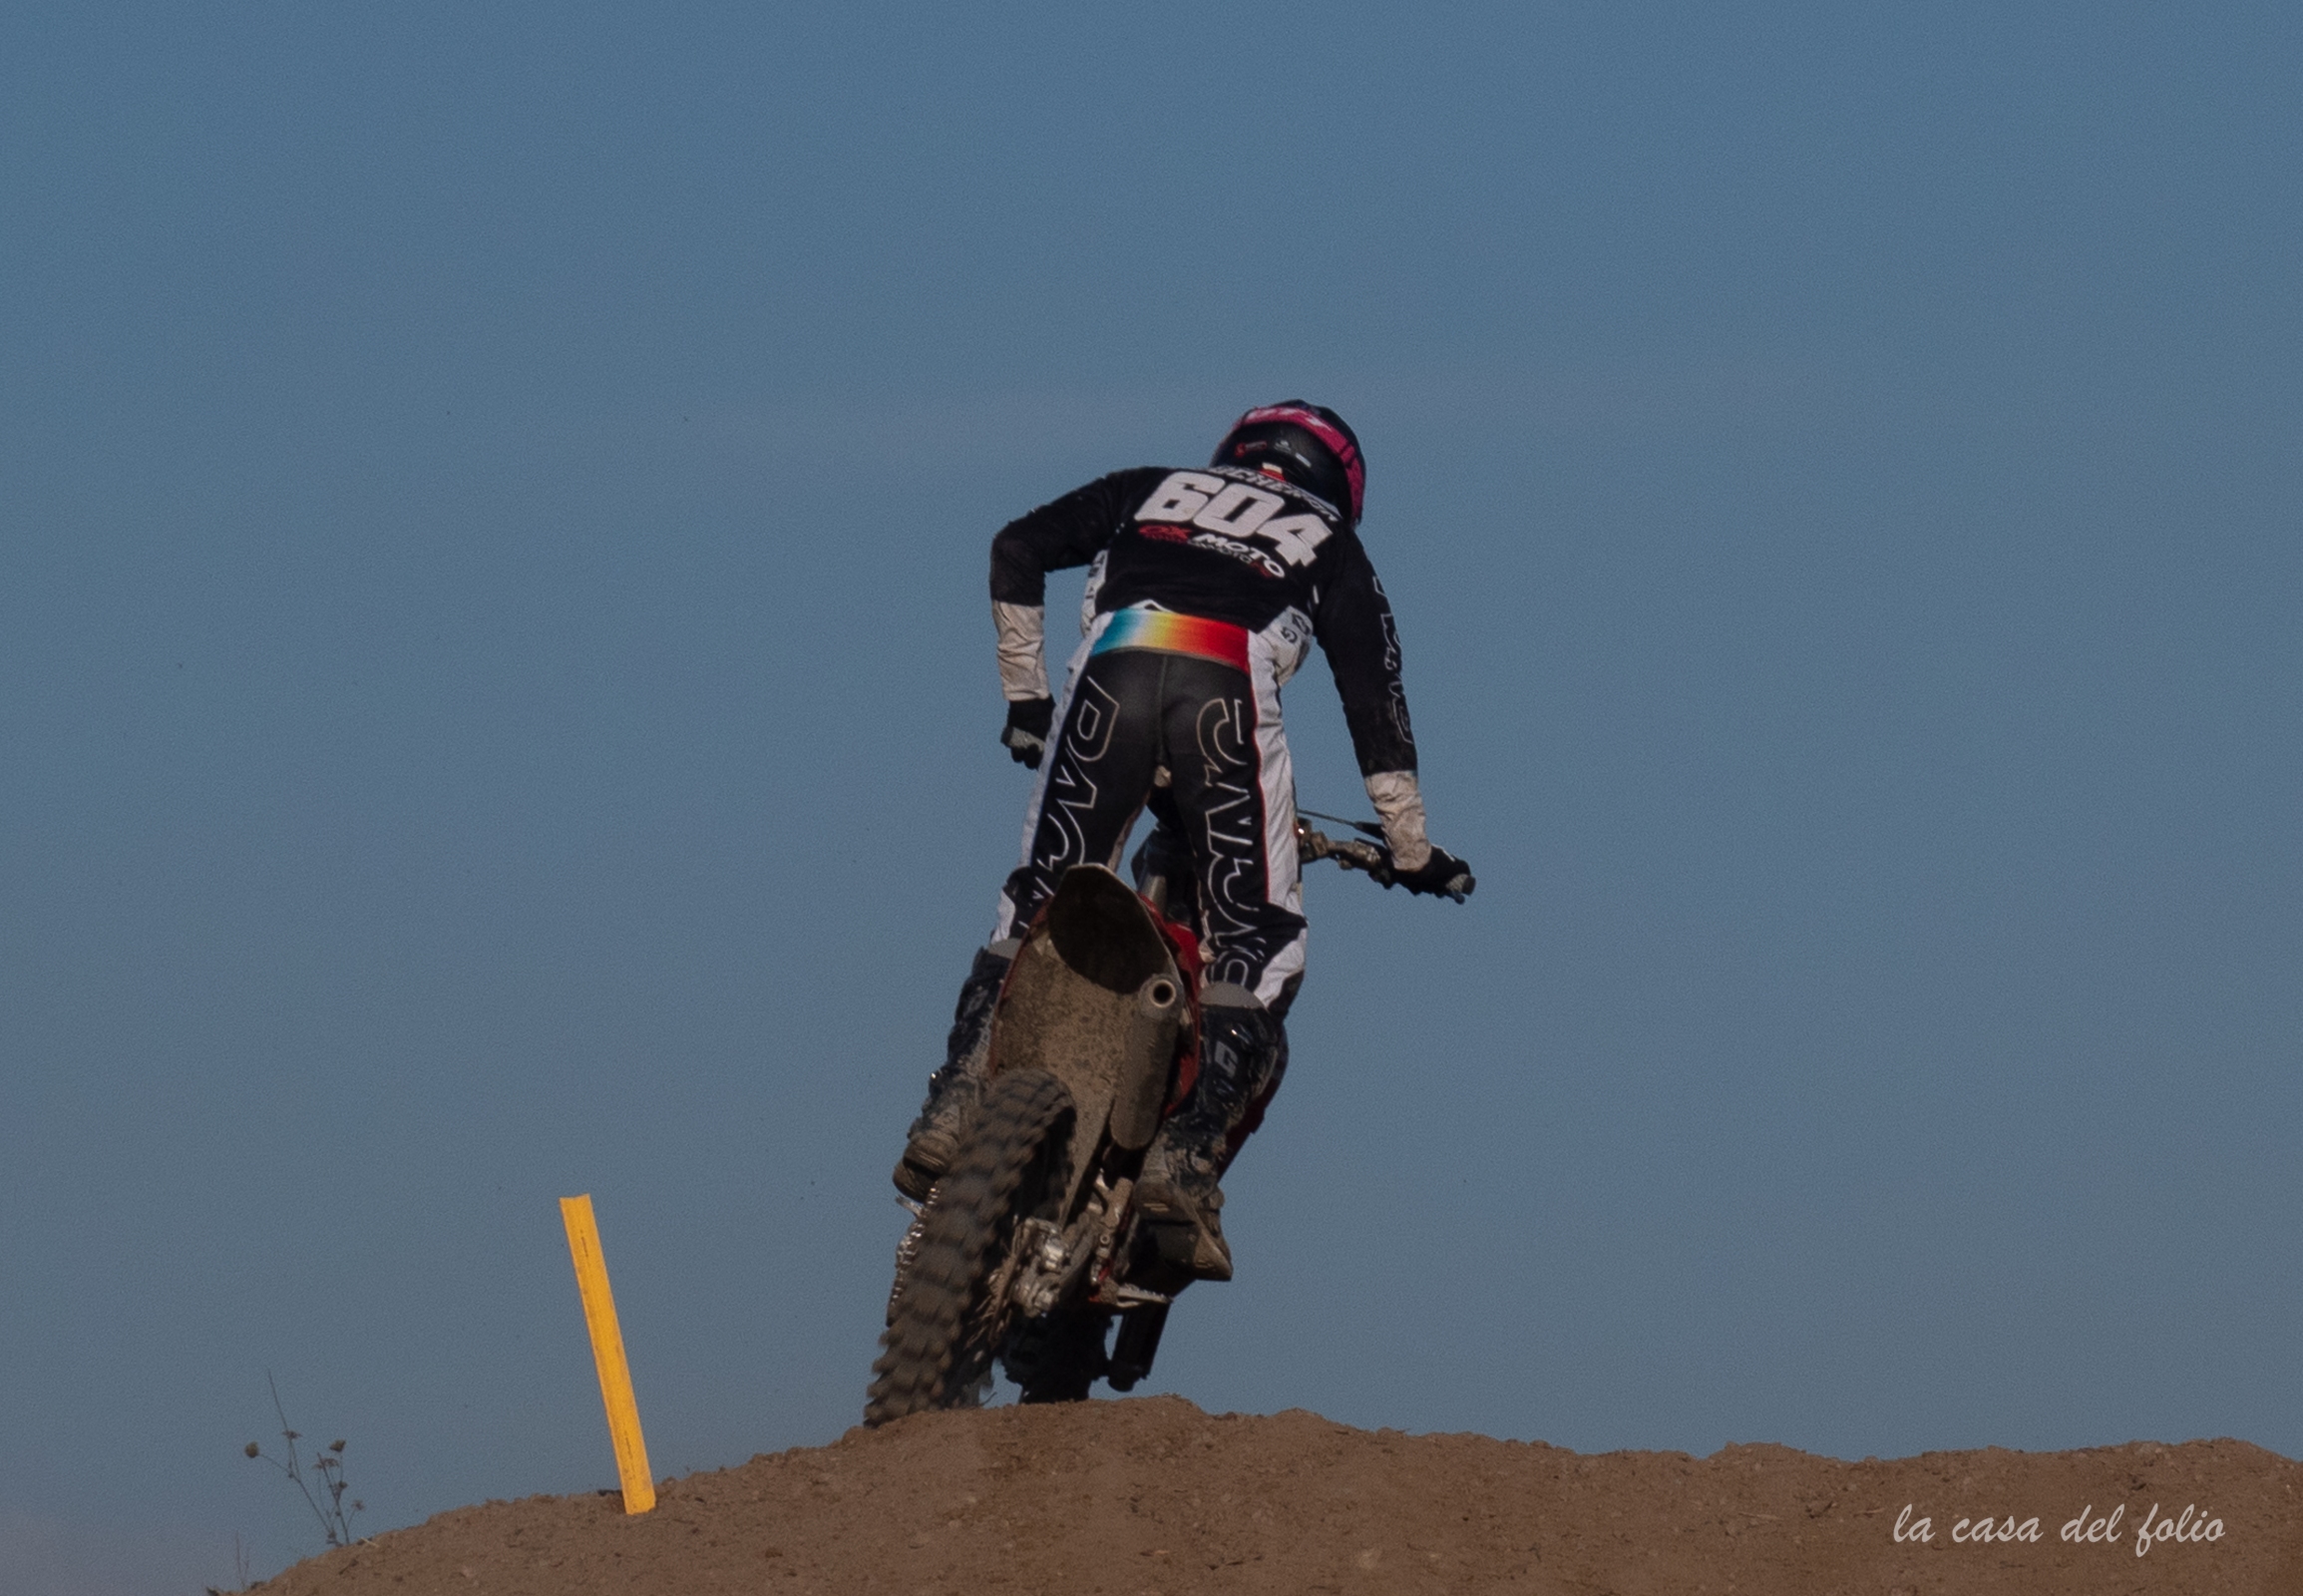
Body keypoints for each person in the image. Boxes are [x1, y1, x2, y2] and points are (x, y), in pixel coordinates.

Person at [892, 403, 1469, 1280]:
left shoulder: (1151, 485)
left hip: (1111, 668)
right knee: (1261, 942)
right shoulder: (1330, 539)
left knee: (1035, 900)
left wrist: (1025, 698)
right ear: (1339, 484)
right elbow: (1373, 698)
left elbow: (1015, 547)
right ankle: (1183, 1162)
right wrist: (1411, 846)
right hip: (1222, 686)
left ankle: (958, 1097)